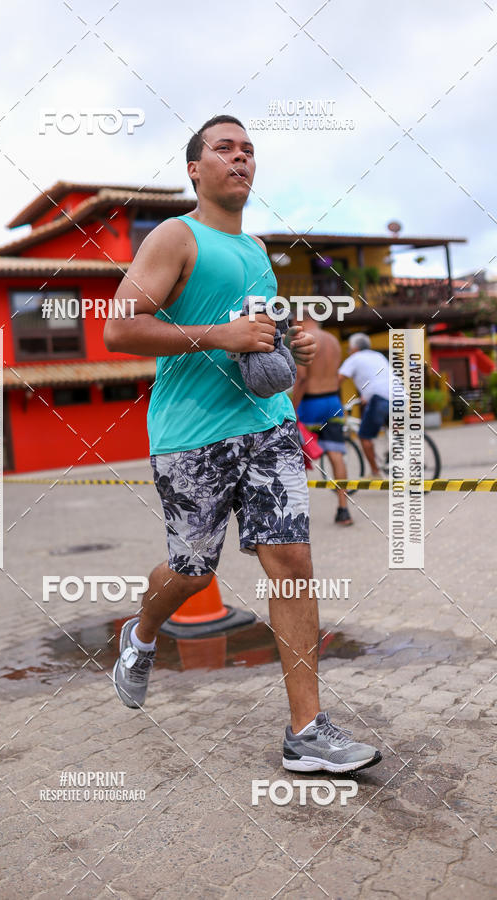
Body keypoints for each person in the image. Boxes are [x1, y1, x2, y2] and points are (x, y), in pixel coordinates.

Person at [104, 115, 381, 774]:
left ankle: (306, 731)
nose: (240, 158)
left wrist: (296, 342)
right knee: (193, 569)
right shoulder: (176, 236)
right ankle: (141, 636)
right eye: (224, 148)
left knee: (291, 561)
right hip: (190, 433)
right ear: (195, 169)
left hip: (265, 425)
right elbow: (120, 330)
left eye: (249, 150)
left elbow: (258, 334)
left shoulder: (257, 251)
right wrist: (218, 337)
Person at [292, 311, 353, 526]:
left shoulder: (302, 339)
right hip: (333, 402)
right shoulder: (333, 340)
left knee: (297, 458)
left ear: (299, 320)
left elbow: (302, 378)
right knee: (336, 454)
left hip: (311, 403)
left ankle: (298, 515)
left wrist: (292, 409)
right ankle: (343, 510)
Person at [338, 333, 393, 476]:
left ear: (355, 348)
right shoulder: (378, 356)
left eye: (349, 349)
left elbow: (338, 380)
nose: (349, 352)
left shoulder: (354, 359)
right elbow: (379, 379)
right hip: (397, 396)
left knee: (364, 436)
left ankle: (375, 472)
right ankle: (398, 456)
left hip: (379, 398)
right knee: (395, 429)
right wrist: (366, 396)